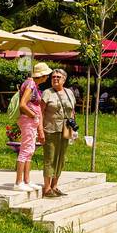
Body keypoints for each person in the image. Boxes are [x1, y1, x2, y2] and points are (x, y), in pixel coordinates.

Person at [14, 62, 50, 191]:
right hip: (28, 120)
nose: (47, 78)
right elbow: (23, 104)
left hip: (31, 121)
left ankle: (26, 180)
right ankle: (18, 183)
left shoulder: (34, 84)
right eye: (46, 75)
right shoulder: (30, 84)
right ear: (42, 75)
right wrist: (34, 115)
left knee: (30, 151)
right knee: (25, 151)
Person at [40, 68, 76, 198]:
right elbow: (41, 112)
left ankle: (55, 185)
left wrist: (74, 128)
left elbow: (72, 111)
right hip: (50, 129)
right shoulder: (47, 93)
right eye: (53, 77)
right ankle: (47, 187)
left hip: (65, 129)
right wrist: (40, 130)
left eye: (58, 77)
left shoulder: (69, 93)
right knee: (50, 158)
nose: (55, 79)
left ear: (64, 79)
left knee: (61, 158)